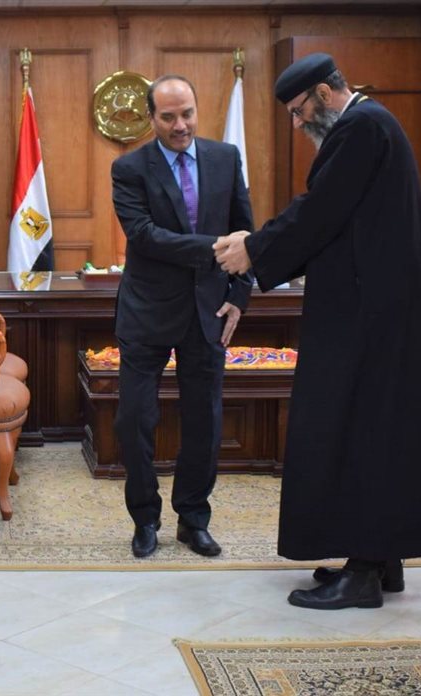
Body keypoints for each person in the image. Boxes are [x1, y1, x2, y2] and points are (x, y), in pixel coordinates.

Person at [213, 54, 421, 609]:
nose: (298, 124)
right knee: (379, 432)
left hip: (369, 320)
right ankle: (380, 558)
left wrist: (255, 248)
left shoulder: (361, 127)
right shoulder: (373, 124)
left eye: (299, 112)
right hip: (378, 311)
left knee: (356, 430)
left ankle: (364, 574)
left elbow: (321, 212)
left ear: (324, 92)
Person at [110, 75, 254, 559]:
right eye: (168, 117)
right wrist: (214, 247)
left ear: (197, 109)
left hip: (208, 309)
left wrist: (239, 296)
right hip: (147, 311)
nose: (180, 125)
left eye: (187, 114)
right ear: (151, 118)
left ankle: (193, 519)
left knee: (204, 421)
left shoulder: (226, 158)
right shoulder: (129, 168)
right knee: (134, 418)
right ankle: (145, 519)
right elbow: (144, 234)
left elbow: (245, 232)